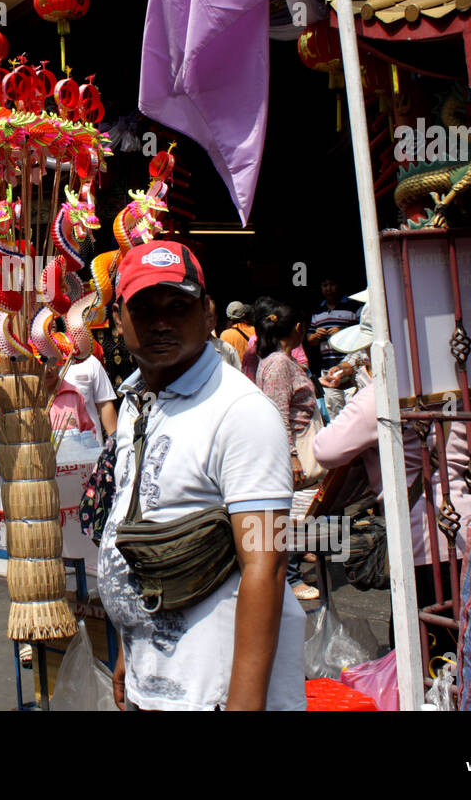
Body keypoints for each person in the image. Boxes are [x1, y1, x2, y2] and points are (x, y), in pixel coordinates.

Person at [99, 241, 304, 710]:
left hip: (214, 695)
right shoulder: (137, 403)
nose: (161, 321)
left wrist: (244, 705)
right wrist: (133, 648)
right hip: (156, 680)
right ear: (118, 320)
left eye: (179, 305)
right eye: (144, 308)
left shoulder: (242, 413)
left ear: (208, 313)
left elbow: (266, 568)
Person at [312, 317, 471, 658]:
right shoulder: (454, 381)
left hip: (420, 535)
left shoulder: (380, 393)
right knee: (466, 643)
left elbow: (324, 450)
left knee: (422, 648)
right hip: (467, 524)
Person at [253, 299, 321, 602]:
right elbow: (278, 412)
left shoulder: (278, 360)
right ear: (297, 328)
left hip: (299, 445)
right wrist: (291, 455)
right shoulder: (279, 363)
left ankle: (291, 574)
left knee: (296, 514)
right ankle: (291, 578)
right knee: (293, 515)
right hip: (295, 448)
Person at [307, 277, 362, 419]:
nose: (329, 288)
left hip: (353, 369)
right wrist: (316, 336)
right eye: (325, 285)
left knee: (356, 413)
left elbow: (364, 332)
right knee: (336, 416)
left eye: (332, 284)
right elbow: (309, 340)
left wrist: (343, 332)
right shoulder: (318, 312)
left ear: (339, 286)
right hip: (328, 370)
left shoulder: (353, 306)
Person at [63, 353, 118, 444]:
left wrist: (116, 444)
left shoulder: (90, 362)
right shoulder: (37, 365)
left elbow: (104, 405)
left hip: (91, 449)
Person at [46, 364, 97, 437]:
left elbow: (88, 432)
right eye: (42, 363)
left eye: (52, 362)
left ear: (58, 364)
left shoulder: (73, 393)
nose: (48, 370)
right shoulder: (26, 398)